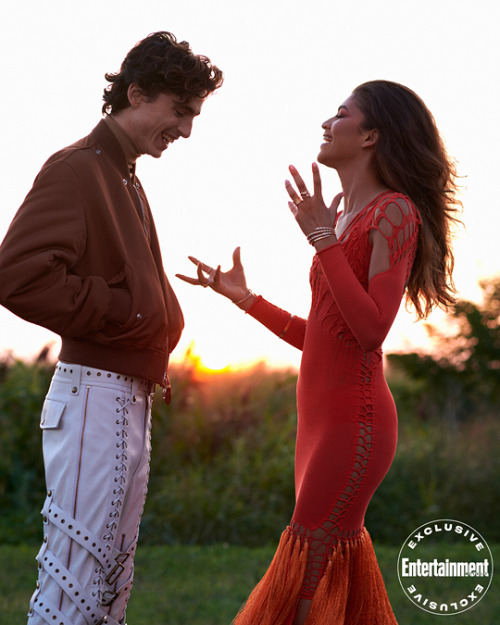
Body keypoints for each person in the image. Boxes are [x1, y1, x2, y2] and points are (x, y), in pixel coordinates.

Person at [177, 80, 460, 624]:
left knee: (305, 579)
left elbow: (372, 330)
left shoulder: (394, 212)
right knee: (321, 571)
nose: (326, 124)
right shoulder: (348, 220)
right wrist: (246, 299)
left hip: (354, 422)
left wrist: (323, 240)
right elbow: (325, 338)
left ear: (372, 134)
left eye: (341, 114)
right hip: (318, 425)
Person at [0, 31, 222, 625]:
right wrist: (130, 313)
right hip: (92, 394)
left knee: (108, 582)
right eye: (180, 112)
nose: (187, 131)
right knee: (74, 577)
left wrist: (153, 314)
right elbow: (18, 276)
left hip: (124, 397)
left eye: (194, 116)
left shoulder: (124, 174)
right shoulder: (78, 168)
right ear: (135, 92)